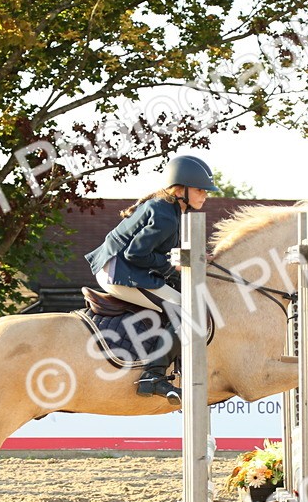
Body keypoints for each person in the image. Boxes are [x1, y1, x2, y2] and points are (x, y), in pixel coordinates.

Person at [84, 155, 218, 404]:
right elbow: (136, 254)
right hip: (119, 273)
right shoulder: (166, 215)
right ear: (180, 190)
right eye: (201, 190)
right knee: (189, 312)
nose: (205, 195)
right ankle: (152, 376)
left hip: (125, 267)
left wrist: (188, 258)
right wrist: (174, 265)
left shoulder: (168, 209)